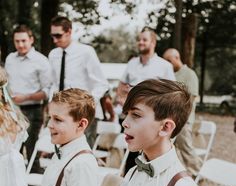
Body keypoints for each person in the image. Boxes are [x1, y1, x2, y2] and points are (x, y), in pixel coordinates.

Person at [116, 26, 176, 174]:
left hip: (152, 118)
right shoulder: (132, 63)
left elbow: (173, 94)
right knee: (131, 152)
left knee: (150, 153)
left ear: (153, 42)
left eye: (144, 40)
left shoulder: (164, 66)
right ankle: (129, 183)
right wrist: (123, 99)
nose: (141, 42)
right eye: (139, 40)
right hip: (131, 115)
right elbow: (121, 86)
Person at [49, 15, 109, 148]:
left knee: (83, 152)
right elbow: (53, 84)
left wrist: (85, 104)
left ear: (69, 31)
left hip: (85, 114)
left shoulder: (86, 52)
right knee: (62, 153)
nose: (54, 40)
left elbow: (102, 84)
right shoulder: (53, 54)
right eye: (52, 36)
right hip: (62, 114)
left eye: (58, 35)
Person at [5, 25, 52, 173]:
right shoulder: (10, 59)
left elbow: (47, 91)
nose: (20, 44)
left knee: (31, 149)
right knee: (10, 148)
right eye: (17, 41)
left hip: (33, 110)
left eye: (24, 40)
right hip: (11, 110)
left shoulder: (41, 60)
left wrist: (25, 97)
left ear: (31, 40)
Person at [163, 48, 202, 177]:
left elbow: (190, 100)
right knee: (173, 150)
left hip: (184, 120)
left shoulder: (189, 74)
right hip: (170, 119)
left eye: (169, 60)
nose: (167, 64)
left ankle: (197, 174)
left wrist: (181, 118)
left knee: (186, 149)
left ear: (177, 58)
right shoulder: (169, 74)